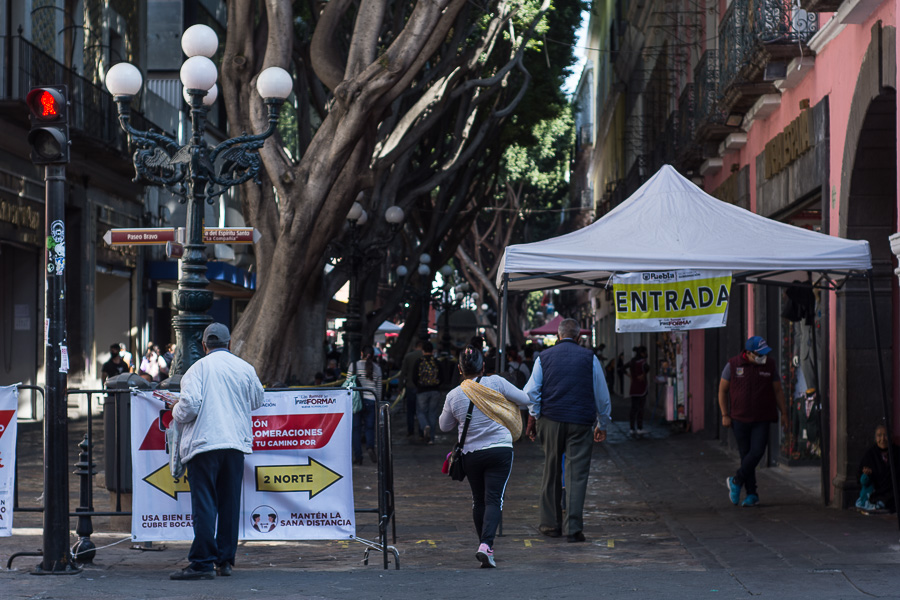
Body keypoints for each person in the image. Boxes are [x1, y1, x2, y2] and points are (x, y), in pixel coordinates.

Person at [168, 323, 264, 580]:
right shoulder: (245, 368)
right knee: (229, 504)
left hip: (204, 445)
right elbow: (258, 400)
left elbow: (189, 407)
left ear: (204, 346)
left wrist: (175, 407)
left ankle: (202, 562)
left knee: (205, 505)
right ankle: (225, 560)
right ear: (229, 344)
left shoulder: (196, 369)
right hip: (234, 445)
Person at [439, 345, 531, 568]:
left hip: (471, 454)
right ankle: (486, 546)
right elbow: (525, 399)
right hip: (499, 450)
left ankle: (485, 546)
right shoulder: (497, 383)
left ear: (460, 369)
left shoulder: (454, 395)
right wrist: (501, 404)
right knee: (494, 499)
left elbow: (444, 426)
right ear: (482, 366)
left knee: (478, 499)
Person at [524, 318, 611, 543]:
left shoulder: (543, 357)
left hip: (551, 420)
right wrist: (603, 423)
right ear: (579, 337)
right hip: (581, 421)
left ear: (558, 336)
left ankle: (549, 525)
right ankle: (573, 528)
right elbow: (602, 395)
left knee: (551, 469)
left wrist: (534, 415)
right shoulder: (589, 358)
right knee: (577, 474)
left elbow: (531, 392)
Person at [718, 335, 788, 508]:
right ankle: (752, 494)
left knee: (756, 452)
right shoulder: (733, 365)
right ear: (748, 354)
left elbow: (778, 390)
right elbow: (722, 390)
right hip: (739, 419)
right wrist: (725, 414)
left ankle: (736, 480)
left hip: (762, 418)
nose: (762, 357)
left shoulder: (769, 366)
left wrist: (784, 413)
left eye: (764, 354)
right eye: (759, 354)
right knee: (745, 455)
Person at [856, 424, 899, 512]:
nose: (883, 439)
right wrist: (866, 473)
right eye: (879, 435)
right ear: (875, 438)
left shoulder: (897, 452)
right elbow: (861, 475)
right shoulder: (870, 454)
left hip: (893, 491)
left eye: (885, 435)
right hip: (877, 491)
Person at [349, 345, 382, 464]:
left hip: (356, 401)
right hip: (371, 400)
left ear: (361, 353)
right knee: (369, 428)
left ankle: (358, 456)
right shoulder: (377, 368)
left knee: (356, 429)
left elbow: (349, 383)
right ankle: (370, 447)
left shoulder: (354, 366)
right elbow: (378, 388)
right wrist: (378, 402)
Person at [414, 341, 443, 444]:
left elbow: (414, 377)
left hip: (422, 390)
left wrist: (418, 385)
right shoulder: (437, 362)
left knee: (421, 412)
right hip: (435, 390)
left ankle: (425, 425)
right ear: (432, 351)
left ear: (423, 351)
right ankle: (431, 438)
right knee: (432, 413)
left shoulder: (418, 362)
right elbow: (442, 377)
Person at [398, 340, 424, 438]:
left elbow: (403, 372)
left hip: (410, 386)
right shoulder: (424, 356)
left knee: (410, 411)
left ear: (415, 346)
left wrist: (400, 387)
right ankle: (422, 431)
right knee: (421, 411)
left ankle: (410, 430)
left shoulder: (408, 356)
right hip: (422, 387)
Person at [626, 346, 650, 436]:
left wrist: (630, 376)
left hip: (633, 388)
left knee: (633, 409)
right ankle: (639, 427)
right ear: (642, 353)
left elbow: (621, 368)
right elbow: (648, 368)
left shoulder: (632, 361)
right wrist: (643, 375)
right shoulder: (643, 362)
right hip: (641, 387)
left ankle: (632, 428)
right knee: (640, 408)